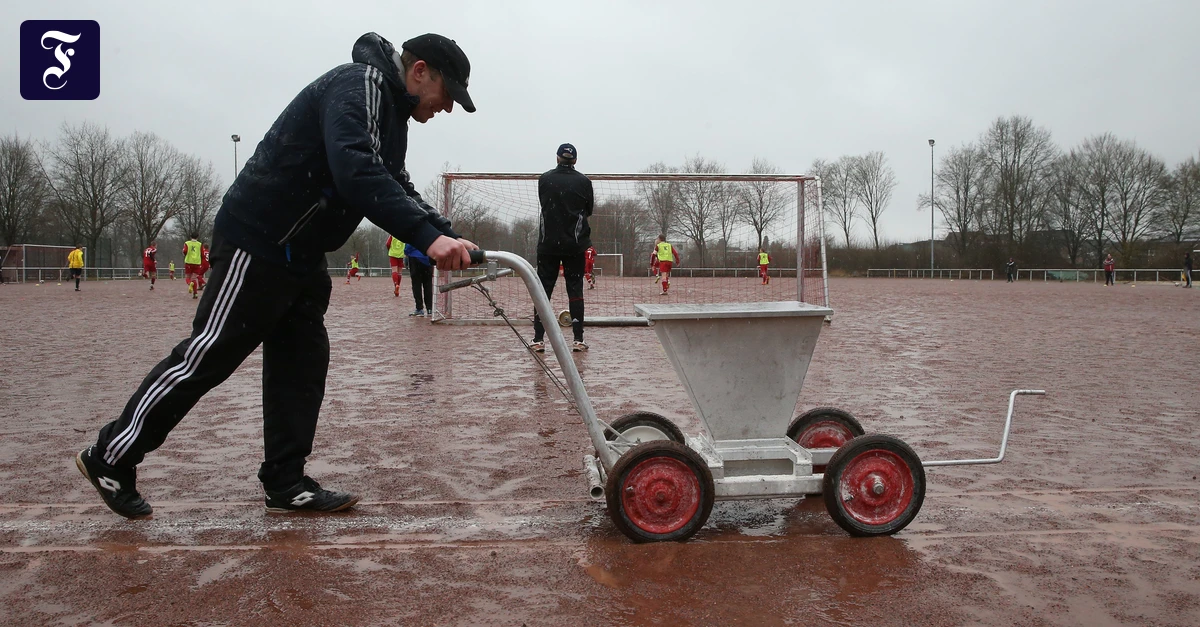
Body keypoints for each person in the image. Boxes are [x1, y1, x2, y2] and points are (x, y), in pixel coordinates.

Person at [75, 31, 478, 519]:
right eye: (447, 94)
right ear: (419, 72)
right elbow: (355, 169)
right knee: (209, 354)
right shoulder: (362, 85)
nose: (448, 108)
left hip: (301, 252)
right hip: (259, 239)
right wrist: (426, 236)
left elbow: (392, 179)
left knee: (302, 361)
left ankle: (285, 481)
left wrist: (445, 232)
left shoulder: (391, 110)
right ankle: (110, 456)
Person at [529, 143, 593, 353]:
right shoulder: (584, 181)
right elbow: (588, 210)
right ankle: (578, 339)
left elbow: (544, 202)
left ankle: (538, 339)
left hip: (548, 244)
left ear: (557, 158)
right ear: (574, 160)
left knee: (543, 291)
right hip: (575, 244)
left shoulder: (545, 179)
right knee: (575, 289)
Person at [405, 242, 434, 316]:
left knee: (416, 284)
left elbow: (409, 244)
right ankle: (429, 309)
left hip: (415, 258)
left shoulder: (412, 230)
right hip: (428, 259)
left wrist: (406, 253)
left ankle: (419, 308)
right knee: (428, 284)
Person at [183, 233, 204, 298]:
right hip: (197, 263)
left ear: (190, 236)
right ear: (197, 237)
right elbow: (202, 254)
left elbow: (184, 251)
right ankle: (195, 294)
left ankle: (190, 283)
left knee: (188, 277)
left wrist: (186, 255)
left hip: (189, 262)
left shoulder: (187, 243)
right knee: (194, 278)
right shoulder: (200, 244)